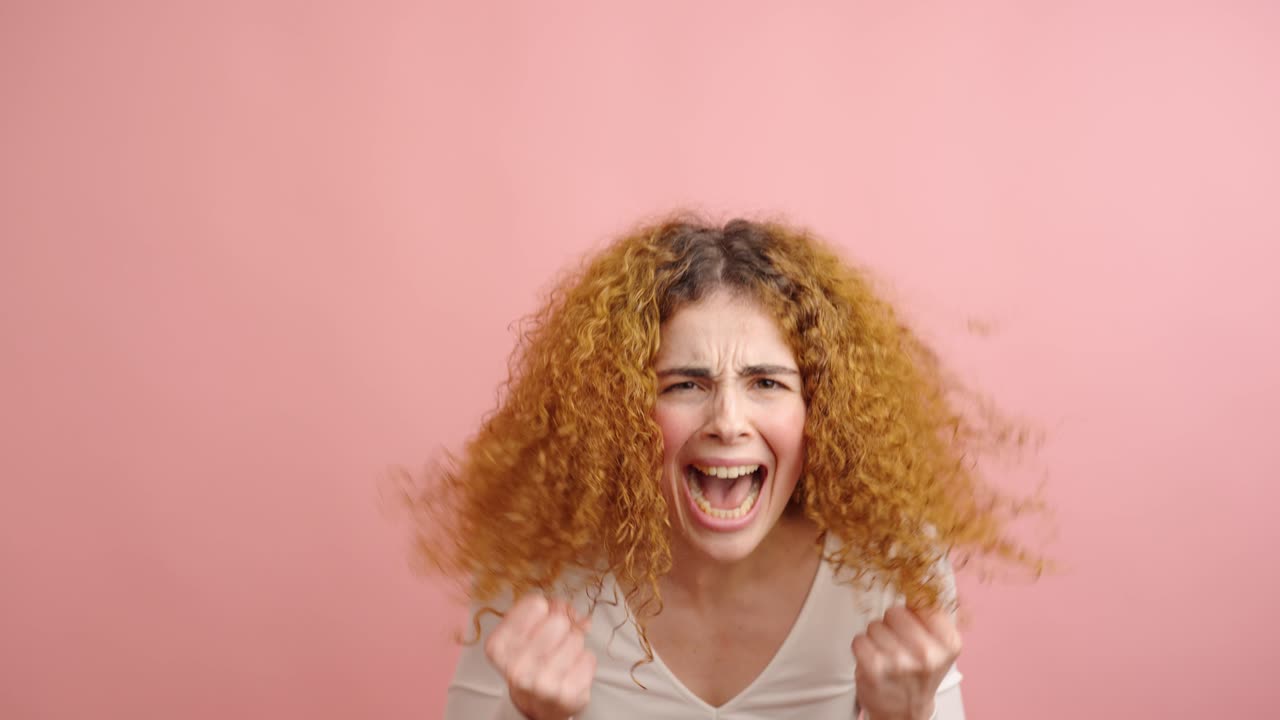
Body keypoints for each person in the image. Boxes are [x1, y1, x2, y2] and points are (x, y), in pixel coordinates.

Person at [407, 215, 1041, 719]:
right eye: (685, 384)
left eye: (766, 382)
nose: (728, 421)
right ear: (621, 409)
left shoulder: (890, 563)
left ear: (820, 410)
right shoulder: (540, 560)